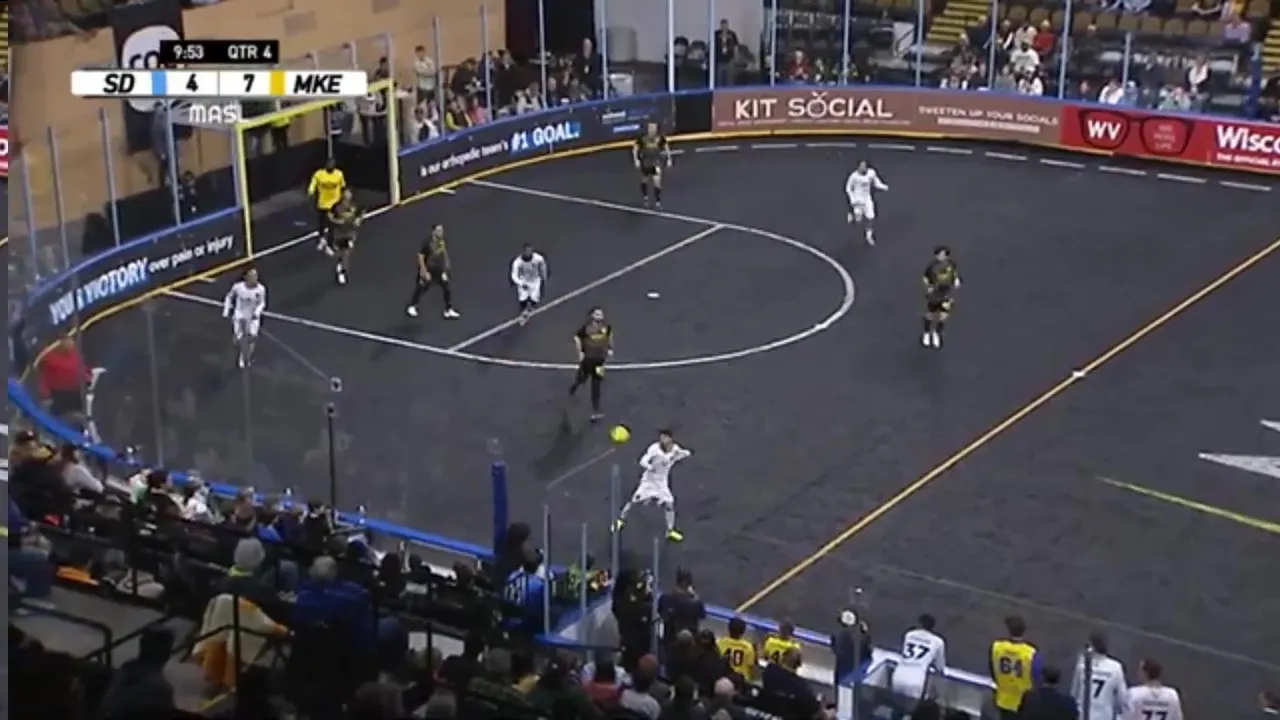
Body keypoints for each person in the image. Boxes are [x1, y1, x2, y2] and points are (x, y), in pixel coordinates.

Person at [612, 428, 692, 542]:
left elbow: (680, 454)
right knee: (633, 502)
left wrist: (687, 453)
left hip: (661, 484)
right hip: (648, 483)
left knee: (669, 505)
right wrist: (650, 467)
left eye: (665, 437)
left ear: (670, 439)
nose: (662, 440)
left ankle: (670, 530)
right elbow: (643, 461)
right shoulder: (654, 449)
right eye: (661, 437)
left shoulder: (675, 449)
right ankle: (620, 520)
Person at [891, 613, 947, 707]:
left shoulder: (909, 635)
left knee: (896, 707)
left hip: (898, 675)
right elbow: (940, 667)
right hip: (916, 680)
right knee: (912, 710)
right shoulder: (938, 642)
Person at [406, 224, 460, 319]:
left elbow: (443, 253)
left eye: (442, 230)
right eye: (439, 231)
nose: (441, 233)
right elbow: (420, 257)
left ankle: (448, 310)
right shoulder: (427, 242)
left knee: (446, 288)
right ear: (433, 232)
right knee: (422, 288)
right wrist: (424, 272)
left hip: (438, 269)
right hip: (428, 269)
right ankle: (412, 306)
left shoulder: (441, 241)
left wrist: (445, 268)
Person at [990, 615, 1039, 719]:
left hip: (1003, 698)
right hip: (1023, 701)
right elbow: (1036, 677)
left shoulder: (997, 647)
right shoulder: (1030, 653)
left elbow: (993, 670)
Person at [568, 307, 612, 421]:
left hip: (600, 361)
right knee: (581, 379)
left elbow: (609, 337)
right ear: (592, 316)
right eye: (597, 314)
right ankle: (574, 386)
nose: (600, 315)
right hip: (588, 360)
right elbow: (577, 338)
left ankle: (596, 410)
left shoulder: (606, 327)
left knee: (596, 385)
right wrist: (580, 352)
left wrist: (610, 348)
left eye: (601, 314)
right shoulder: (586, 327)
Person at [1070, 632, 1126, 720]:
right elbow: (1122, 697)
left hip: (1083, 714)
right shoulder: (1115, 667)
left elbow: (1074, 692)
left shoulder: (1082, 664)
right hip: (1105, 715)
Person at [222, 268, 267, 369]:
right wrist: (226, 310)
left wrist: (257, 312)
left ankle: (245, 358)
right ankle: (240, 350)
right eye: (252, 276)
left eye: (256, 276)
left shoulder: (261, 289)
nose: (255, 278)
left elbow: (262, 303)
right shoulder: (238, 287)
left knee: (252, 338)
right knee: (240, 339)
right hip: (240, 315)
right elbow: (229, 297)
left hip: (253, 318)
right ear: (246, 277)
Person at [921, 245, 961, 349]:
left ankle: (936, 334)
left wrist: (956, 280)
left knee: (943, 316)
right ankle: (926, 333)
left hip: (946, 294)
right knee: (930, 315)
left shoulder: (951, 265)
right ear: (936, 255)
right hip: (934, 294)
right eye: (940, 255)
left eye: (944, 255)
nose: (942, 257)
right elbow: (925, 279)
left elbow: (955, 274)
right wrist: (929, 288)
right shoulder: (931, 267)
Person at [844, 160, 889, 245]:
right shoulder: (854, 176)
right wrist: (852, 199)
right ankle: (852, 213)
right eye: (861, 166)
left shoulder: (871, 173)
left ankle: (868, 236)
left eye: (865, 166)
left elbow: (876, 182)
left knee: (871, 217)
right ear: (858, 167)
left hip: (867, 198)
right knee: (858, 220)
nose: (863, 168)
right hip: (857, 199)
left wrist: (883, 187)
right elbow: (848, 188)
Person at [307, 157, 345, 251]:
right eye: (329, 164)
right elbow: (313, 184)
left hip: (334, 204)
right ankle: (321, 239)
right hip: (323, 204)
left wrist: (342, 199)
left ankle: (330, 243)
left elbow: (343, 186)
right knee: (322, 224)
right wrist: (311, 192)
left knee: (332, 225)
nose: (330, 166)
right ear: (325, 165)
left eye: (332, 164)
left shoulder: (339, 174)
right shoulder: (319, 175)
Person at [327, 189, 362, 286]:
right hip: (339, 234)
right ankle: (339, 261)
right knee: (341, 253)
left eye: (349, 195)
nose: (347, 197)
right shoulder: (336, 207)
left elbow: (360, 213)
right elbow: (330, 217)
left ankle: (342, 272)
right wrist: (338, 222)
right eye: (345, 195)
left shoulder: (354, 206)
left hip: (350, 234)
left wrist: (358, 220)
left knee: (347, 253)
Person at [633, 122, 671, 208]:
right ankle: (645, 197)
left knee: (657, 182)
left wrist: (669, 158)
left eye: (654, 128)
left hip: (656, 162)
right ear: (648, 129)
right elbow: (635, 148)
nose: (652, 130)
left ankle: (657, 201)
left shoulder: (660, 138)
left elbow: (666, 147)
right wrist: (636, 159)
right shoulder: (642, 138)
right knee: (644, 181)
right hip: (645, 163)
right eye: (651, 128)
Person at [510, 243, 548, 326]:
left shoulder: (538, 258)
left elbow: (543, 266)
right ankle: (524, 313)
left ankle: (528, 310)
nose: (528, 253)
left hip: (535, 282)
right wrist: (521, 283)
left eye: (529, 251)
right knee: (522, 299)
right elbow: (514, 275)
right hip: (524, 282)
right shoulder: (517, 262)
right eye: (526, 251)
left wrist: (543, 276)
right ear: (523, 252)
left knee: (534, 299)